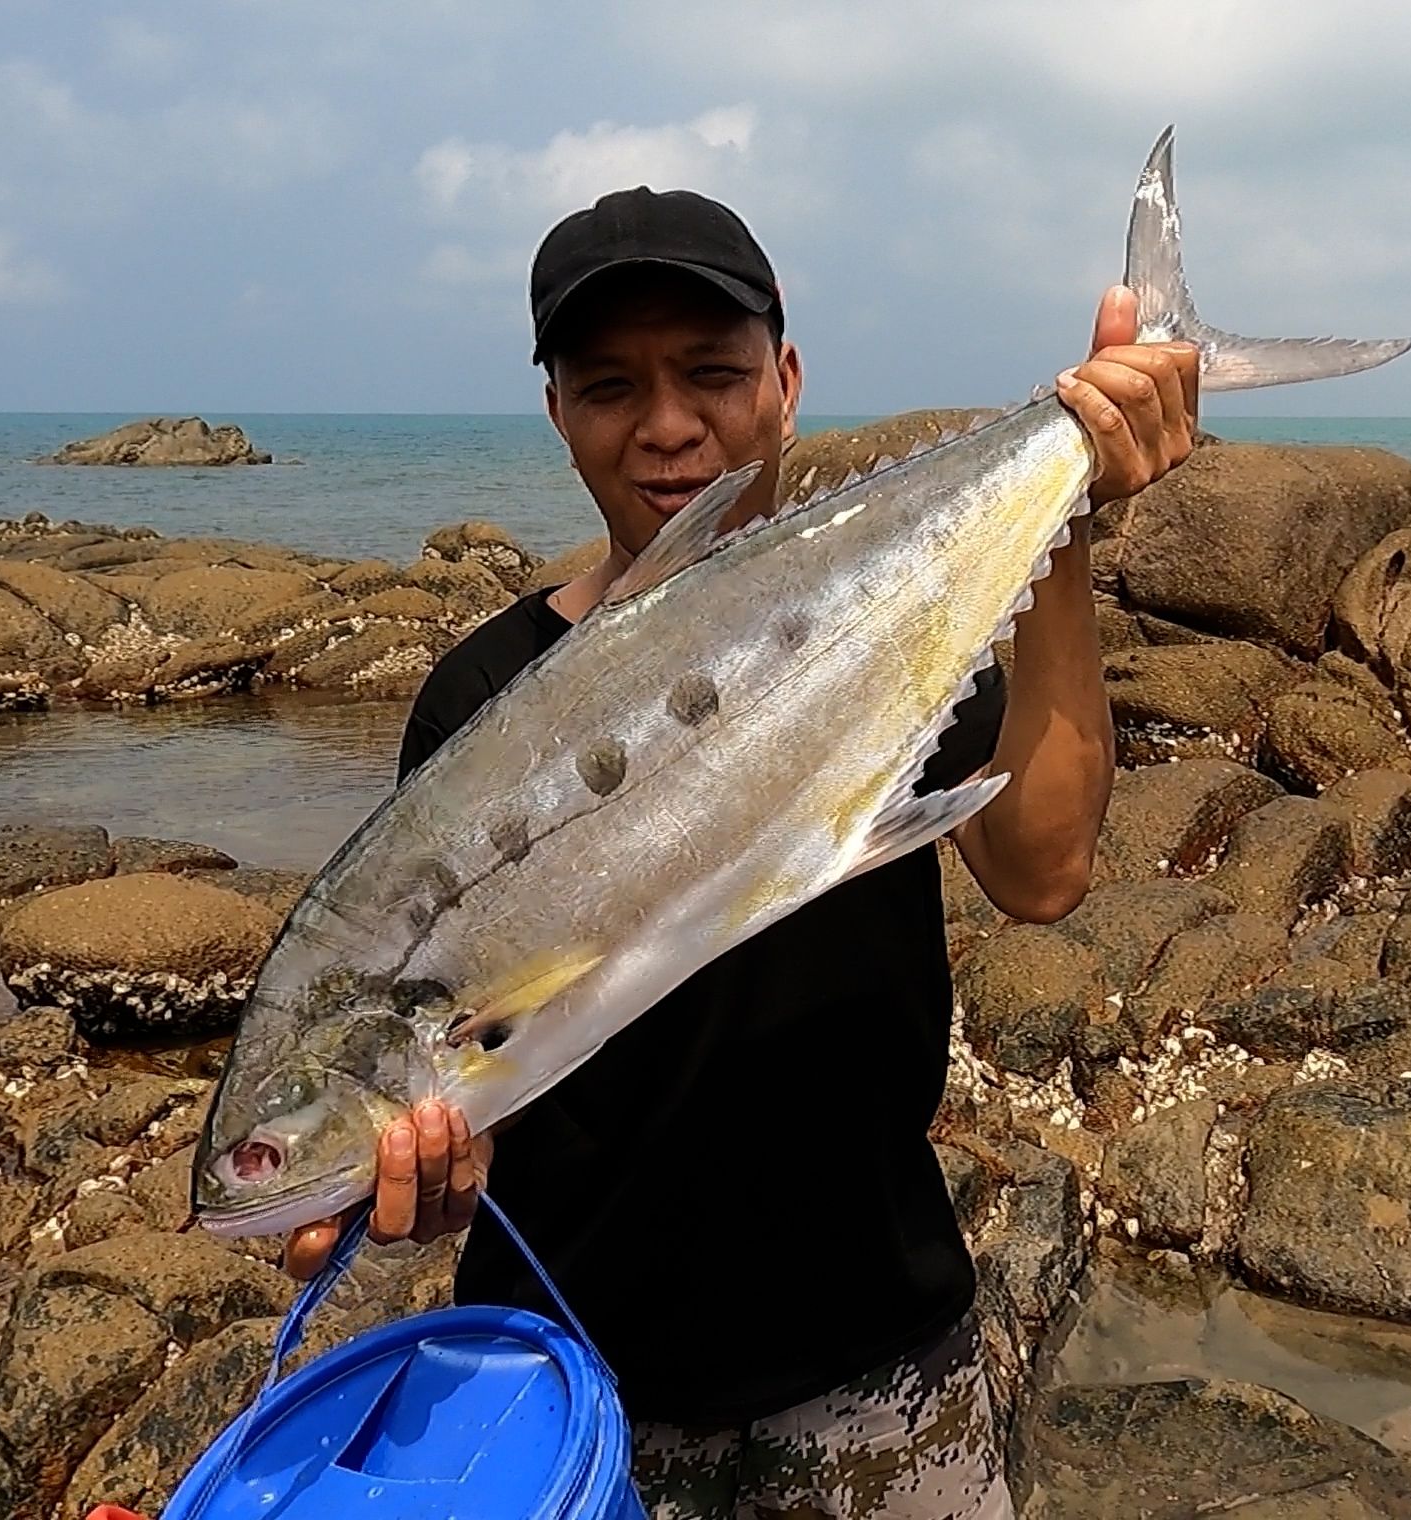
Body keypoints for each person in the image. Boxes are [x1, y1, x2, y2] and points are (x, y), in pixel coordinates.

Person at [279, 181, 1197, 1517]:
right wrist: (409, 1173)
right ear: (556, 412)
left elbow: (1042, 870)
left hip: (880, 1349)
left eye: (711, 374)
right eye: (610, 387)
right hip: (574, 1384)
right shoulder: (487, 702)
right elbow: (459, 1042)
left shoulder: (883, 611)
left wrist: (1064, 516)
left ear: (785, 380)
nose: (665, 426)